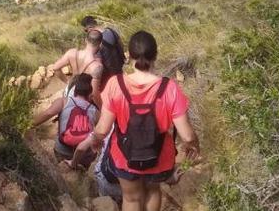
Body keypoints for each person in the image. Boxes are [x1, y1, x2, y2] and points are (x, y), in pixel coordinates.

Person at [71, 31, 199, 211]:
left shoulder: (116, 85)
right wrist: (194, 145)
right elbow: (187, 135)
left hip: (125, 156)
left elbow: (102, 128)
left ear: (129, 56)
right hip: (159, 156)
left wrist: (96, 142)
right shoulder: (169, 88)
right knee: (153, 192)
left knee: (131, 199)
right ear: (155, 55)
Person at [33, 29, 105, 127]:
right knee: (81, 122)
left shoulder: (72, 53)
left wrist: (67, 81)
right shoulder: (97, 66)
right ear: (100, 44)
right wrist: (102, 108)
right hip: (83, 95)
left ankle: (27, 126)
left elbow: (55, 68)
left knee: (62, 115)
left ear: (85, 40)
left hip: (70, 89)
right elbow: (94, 93)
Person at [54, 73, 99, 166]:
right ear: (90, 94)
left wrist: (28, 125)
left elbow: (48, 113)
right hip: (85, 155)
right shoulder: (95, 111)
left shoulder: (63, 101)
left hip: (62, 151)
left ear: (74, 91)